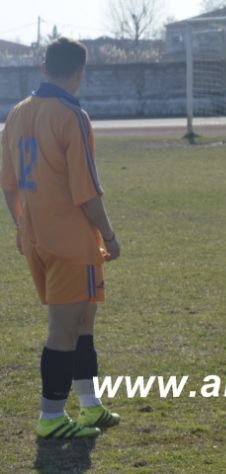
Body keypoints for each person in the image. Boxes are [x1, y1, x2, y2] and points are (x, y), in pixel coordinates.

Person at [1, 37, 121, 439]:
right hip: (72, 242)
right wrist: (109, 236)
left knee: (82, 323)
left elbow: (9, 184)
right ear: (79, 73)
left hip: (36, 239)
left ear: (43, 69)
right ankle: (51, 416)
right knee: (63, 330)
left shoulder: (17, 113)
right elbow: (86, 190)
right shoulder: (72, 115)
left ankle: (90, 406)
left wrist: (22, 226)